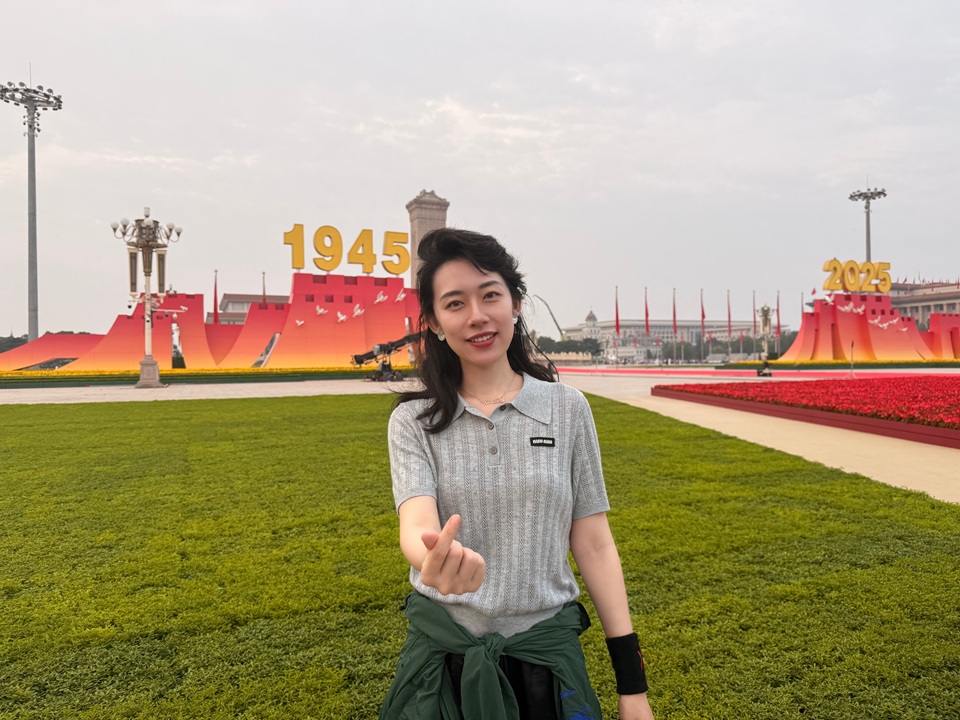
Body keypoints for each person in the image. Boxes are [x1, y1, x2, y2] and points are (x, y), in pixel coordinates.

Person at [381, 228, 654, 720]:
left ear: (516, 304)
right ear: (435, 323)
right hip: (442, 668)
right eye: (455, 303)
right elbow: (415, 522)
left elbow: (594, 544)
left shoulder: (567, 409)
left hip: (546, 662)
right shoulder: (413, 421)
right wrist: (434, 557)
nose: (477, 316)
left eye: (490, 295)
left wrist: (632, 688)